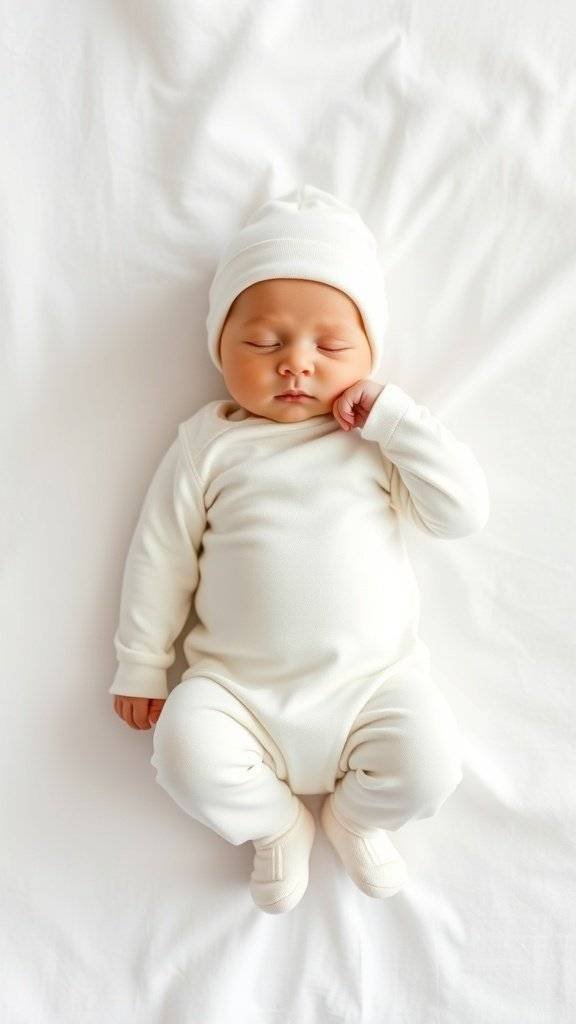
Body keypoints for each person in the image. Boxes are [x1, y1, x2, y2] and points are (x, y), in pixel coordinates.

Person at [109, 184, 490, 914]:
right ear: (220, 346)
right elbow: (161, 555)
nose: (296, 364)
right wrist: (142, 663)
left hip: (373, 687)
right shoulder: (209, 443)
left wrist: (397, 420)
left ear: (368, 354)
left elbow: (460, 513)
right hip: (238, 694)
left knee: (431, 767)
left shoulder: (375, 446)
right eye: (264, 341)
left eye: (330, 345)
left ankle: (355, 819)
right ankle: (276, 827)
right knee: (183, 754)